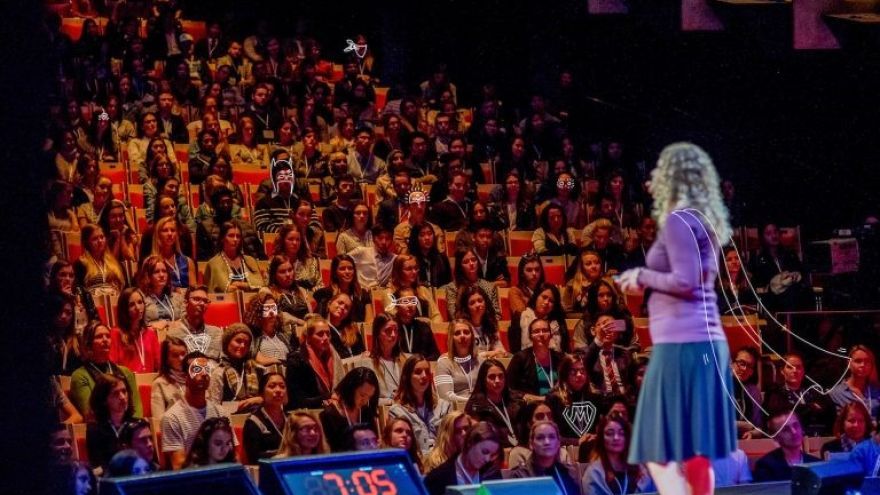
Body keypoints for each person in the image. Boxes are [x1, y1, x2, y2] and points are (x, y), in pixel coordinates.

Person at [613, 143, 740, 495]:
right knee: (691, 450)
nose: (653, 177)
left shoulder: (678, 221)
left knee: (656, 448)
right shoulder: (700, 219)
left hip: (684, 344)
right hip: (700, 343)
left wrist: (641, 276)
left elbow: (685, 281)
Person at [161, 351, 230, 470]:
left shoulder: (221, 412)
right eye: (197, 369)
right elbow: (179, 465)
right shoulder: (172, 417)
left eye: (207, 369)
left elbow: (233, 455)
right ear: (184, 377)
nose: (204, 374)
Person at [70, 321, 143, 419]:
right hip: (103, 430)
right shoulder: (80, 376)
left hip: (130, 428)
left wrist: (132, 427)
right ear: (89, 343)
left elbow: (136, 408)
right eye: (99, 337)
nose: (105, 340)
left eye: (108, 336)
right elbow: (91, 414)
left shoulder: (126, 372)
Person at [389, 355, 453, 455]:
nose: (424, 376)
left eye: (427, 372)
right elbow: (397, 448)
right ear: (407, 377)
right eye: (418, 372)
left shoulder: (444, 406)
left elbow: (451, 442)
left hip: (442, 462)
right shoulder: (397, 412)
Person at [762, 352, 835, 436]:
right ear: (782, 371)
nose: (795, 371)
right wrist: (810, 407)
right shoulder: (775, 393)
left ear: (803, 371)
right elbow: (782, 416)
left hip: (816, 439)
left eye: (799, 367)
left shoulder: (814, 392)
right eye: (790, 367)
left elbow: (830, 414)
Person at [423, 421, 502, 495]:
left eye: (492, 455)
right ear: (470, 443)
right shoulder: (438, 478)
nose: (487, 459)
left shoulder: (492, 473)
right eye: (484, 452)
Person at [581, 414, 653, 495]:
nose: (616, 437)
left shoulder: (639, 468)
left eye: (621, 433)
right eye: (610, 433)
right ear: (601, 438)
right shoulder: (594, 473)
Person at [285, 317, 345, 409]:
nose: (325, 338)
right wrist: (328, 397)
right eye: (320, 334)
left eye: (328, 334)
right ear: (308, 338)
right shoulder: (296, 360)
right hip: (308, 412)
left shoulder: (333, 356)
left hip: (331, 407)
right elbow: (296, 401)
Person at [545, 354, 604, 444]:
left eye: (582, 371)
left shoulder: (596, 396)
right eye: (573, 371)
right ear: (565, 374)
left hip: (592, 449)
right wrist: (577, 441)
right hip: (565, 450)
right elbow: (550, 434)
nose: (579, 375)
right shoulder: (554, 398)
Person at [509, 421, 580, 495]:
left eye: (552, 437)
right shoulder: (519, 476)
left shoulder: (568, 472)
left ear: (558, 443)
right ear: (531, 444)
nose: (547, 442)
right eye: (540, 438)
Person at [465, 359, 524, 448]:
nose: (497, 380)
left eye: (501, 376)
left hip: (519, 450)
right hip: (493, 452)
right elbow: (476, 438)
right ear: (483, 379)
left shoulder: (515, 399)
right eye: (492, 377)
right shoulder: (476, 404)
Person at [320, 367, 381, 451]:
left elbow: (375, 440)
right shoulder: (329, 415)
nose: (365, 401)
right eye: (362, 395)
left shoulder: (366, 412)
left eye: (369, 397)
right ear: (350, 389)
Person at [208, 323, 263, 414]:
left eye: (246, 343)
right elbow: (214, 409)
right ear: (227, 343)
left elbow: (270, 400)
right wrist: (242, 404)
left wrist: (260, 399)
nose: (242, 346)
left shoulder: (257, 369)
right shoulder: (219, 372)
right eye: (238, 341)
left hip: (256, 422)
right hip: (230, 423)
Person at [86, 374, 138, 469]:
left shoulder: (138, 425)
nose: (122, 397)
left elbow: (149, 460)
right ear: (104, 400)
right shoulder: (95, 430)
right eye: (115, 393)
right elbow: (98, 466)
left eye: (124, 391)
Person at [508, 319, 566, 401]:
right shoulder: (520, 358)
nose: (541, 334)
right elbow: (509, 388)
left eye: (545, 330)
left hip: (557, 404)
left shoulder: (560, 358)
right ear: (530, 336)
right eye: (536, 331)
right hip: (532, 405)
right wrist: (538, 399)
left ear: (551, 334)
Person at [753, 411, 820, 482]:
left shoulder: (817, 464)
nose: (794, 432)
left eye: (795, 425)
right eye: (786, 430)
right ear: (776, 437)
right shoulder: (766, 466)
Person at [355, 314, 407, 405]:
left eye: (396, 330)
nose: (393, 335)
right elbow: (363, 399)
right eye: (388, 331)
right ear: (378, 334)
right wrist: (391, 401)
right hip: (382, 413)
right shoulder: (367, 363)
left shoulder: (404, 361)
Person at [244, 287, 299, 368]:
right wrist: (278, 362)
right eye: (267, 309)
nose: (272, 313)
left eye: (273, 308)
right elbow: (258, 359)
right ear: (258, 312)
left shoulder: (282, 335)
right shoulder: (253, 336)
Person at [167, 285, 224, 362]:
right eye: (196, 299)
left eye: (205, 301)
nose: (201, 303)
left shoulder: (217, 333)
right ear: (186, 303)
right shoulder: (174, 334)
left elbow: (223, 363)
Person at [440, 248, 501, 320]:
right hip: (463, 327)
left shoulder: (489, 286)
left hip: (486, 327)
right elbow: (453, 315)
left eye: (473, 260)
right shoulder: (453, 287)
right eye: (466, 262)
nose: (471, 263)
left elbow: (497, 315)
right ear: (460, 267)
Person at [110, 287, 161, 373]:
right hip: (128, 383)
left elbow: (159, 364)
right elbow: (112, 365)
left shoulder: (150, 333)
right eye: (131, 305)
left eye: (140, 302)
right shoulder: (116, 333)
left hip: (149, 382)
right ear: (124, 309)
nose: (137, 307)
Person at [203, 221, 264, 293]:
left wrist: (240, 284)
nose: (235, 239)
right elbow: (216, 289)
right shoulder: (214, 263)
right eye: (231, 236)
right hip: (225, 302)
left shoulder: (250, 260)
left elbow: (261, 285)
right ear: (222, 239)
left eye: (238, 236)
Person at [583, 315, 634, 400]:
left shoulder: (625, 354)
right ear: (593, 331)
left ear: (617, 333)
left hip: (623, 399)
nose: (607, 330)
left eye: (611, 326)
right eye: (603, 325)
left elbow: (632, 381)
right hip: (600, 400)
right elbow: (585, 364)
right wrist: (599, 338)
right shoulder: (585, 353)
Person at [244, 372, 288, 462]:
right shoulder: (253, 422)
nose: (278, 390)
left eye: (282, 386)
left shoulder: (291, 419)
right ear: (261, 394)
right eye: (272, 386)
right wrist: (284, 455)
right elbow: (254, 458)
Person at [313, 254, 371, 322]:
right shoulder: (323, 294)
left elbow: (369, 322)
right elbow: (317, 321)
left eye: (350, 268)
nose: (347, 272)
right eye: (342, 269)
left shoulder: (362, 294)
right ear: (335, 273)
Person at [435, 319, 482, 402]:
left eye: (466, 332)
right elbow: (445, 396)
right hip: (456, 410)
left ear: (472, 337)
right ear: (451, 338)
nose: (462, 336)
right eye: (457, 333)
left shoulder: (481, 361)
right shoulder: (444, 363)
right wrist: (471, 402)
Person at [74, 224, 125, 298]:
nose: (100, 241)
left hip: (114, 302)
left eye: (102, 237)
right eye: (95, 239)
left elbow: (122, 287)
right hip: (93, 303)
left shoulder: (115, 263)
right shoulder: (81, 263)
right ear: (87, 243)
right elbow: (79, 289)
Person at [829, 345, 880, 420]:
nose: (863, 365)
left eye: (867, 362)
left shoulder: (877, 392)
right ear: (849, 363)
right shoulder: (836, 393)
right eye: (858, 361)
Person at [455, 286, 506, 359]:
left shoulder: (490, 324)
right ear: (466, 308)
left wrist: (498, 353)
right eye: (472, 303)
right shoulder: (462, 327)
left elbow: (501, 350)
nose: (478, 305)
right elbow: (465, 355)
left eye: (480, 300)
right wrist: (489, 354)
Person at [517, 283, 570, 353]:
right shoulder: (522, 317)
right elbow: (515, 349)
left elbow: (565, 349)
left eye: (551, 301)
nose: (546, 302)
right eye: (544, 297)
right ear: (536, 296)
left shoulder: (559, 322)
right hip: (527, 361)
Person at [390, 287, 440, 359]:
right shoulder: (391, 328)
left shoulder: (424, 328)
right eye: (405, 302)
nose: (410, 305)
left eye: (413, 301)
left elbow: (435, 355)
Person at [274, 223, 323, 293]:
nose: (295, 243)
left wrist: (315, 290)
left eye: (298, 240)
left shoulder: (311, 262)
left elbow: (320, 284)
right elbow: (270, 287)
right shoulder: (275, 262)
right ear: (283, 241)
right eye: (290, 239)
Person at [266, 254, 313, 323]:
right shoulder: (269, 293)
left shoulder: (301, 291)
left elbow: (310, 317)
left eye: (290, 270)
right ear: (274, 275)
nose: (288, 274)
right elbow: (271, 320)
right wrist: (297, 321)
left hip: (304, 331)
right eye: (282, 272)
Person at [348, 224, 397, 289]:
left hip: (382, 294)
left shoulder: (394, 259)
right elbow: (340, 261)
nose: (384, 242)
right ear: (373, 238)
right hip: (362, 293)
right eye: (380, 238)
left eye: (388, 238)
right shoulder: (361, 252)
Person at [150, 336, 188, 420]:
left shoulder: (195, 379)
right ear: (166, 359)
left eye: (183, 354)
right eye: (175, 355)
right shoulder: (159, 383)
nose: (181, 359)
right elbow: (158, 419)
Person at [730, 346, 764, 438]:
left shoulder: (753, 391)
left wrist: (753, 433)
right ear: (731, 363)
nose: (744, 369)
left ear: (752, 372)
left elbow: (758, 427)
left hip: (745, 443)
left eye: (749, 366)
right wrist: (743, 425)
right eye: (741, 363)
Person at [563, 249, 605, 318]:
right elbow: (566, 313)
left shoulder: (607, 284)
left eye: (597, 263)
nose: (594, 266)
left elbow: (620, 314)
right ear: (582, 267)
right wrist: (587, 318)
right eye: (588, 264)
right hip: (578, 324)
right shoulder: (572, 285)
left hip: (604, 323)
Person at [408, 223, 452, 289]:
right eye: (422, 235)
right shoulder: (410, 261)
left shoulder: (442, 259)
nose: (427, 238)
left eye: (430, 234)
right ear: (416, 238)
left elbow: (449, 283)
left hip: (440, 296)